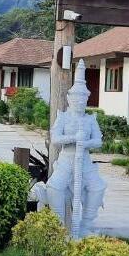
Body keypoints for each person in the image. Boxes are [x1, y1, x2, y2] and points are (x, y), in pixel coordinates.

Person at [46, 60, 107, 237]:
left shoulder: (90, 119)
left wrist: (86, 143)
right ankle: (59, 225)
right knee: (54, 187)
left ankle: (85, 226)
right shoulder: (63, 118)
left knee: (98, 188)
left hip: (85, 161)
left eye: (83, 99)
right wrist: (74, 138)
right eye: (76, 99)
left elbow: (98, 141)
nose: (80, 102)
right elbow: (55, 139)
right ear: (69, 99)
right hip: (67, 159)